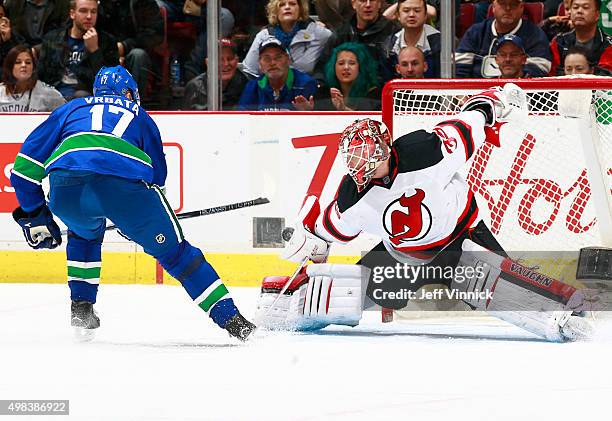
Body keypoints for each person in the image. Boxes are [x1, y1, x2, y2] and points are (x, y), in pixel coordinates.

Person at [260, 83, 593, 342]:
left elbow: (470, 120)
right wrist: (310, 243)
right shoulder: (351, 197)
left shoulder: (428, 149)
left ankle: (569, 306)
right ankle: (285, 307)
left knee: (504, 292)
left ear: (386, 148)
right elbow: (326, 232)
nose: (362, 166)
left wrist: (494, 102)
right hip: (401, 258)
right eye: (355, 159)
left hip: (462, 237)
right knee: (339, 297)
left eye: (368, 156)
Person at [9, 65, 256, 341]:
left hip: (66, 188)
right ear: (128, 93)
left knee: (84, 232)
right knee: (177, 254)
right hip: (123, 188)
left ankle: (82, 307)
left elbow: (21, 172)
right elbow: (156, 180)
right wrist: (135, 223)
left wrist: (36, 215)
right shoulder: (140, 115)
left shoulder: (70, 109)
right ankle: (233, 321)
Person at [37, 0, 118, 99]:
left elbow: (110, 84)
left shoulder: (107, 42)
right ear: (72, 14)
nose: (89, 16)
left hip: (88, 100)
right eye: (83, 11)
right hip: (54, 97)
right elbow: (41, 77)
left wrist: (94, 51)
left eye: (93, 12)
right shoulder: (52, 39)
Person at [455, 0, 551, 78]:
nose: (508, 8)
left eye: (513, 4)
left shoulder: (535, 34)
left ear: (521, 7)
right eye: (502, 3)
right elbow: (459, 69)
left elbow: (539, 71)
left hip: (520, 95)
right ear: (493, 6)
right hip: (478, 95)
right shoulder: (475, 32)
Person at [241, 0, 333, 77]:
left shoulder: (320, 34)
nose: (287, 7)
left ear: (300, 9)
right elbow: (249, 71)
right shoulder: (263, 36)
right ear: (275, 11)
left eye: (292, 4)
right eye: (282, 5)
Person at [315, 0, 398, 85]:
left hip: (381, 92)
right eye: (362, 1)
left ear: (379, 3)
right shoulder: (341, 34)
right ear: (353, 4)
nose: (368, 5)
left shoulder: (393, 33)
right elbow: (321, 69)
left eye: (372, 0)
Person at [97, 0, 163, 96]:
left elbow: (154, 34)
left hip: (135, 53)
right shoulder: (99, 4)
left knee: (138, 55)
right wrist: (114, 53)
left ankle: (134, 104)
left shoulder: (145, 3)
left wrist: (124, 46)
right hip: (106, 51)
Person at [237, 38, 318, 111]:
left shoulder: (305, 84)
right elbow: (241, 119)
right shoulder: (253, 86)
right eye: (267, 58)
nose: (272, 63)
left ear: (288, 60)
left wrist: (307, 114)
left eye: (278, 57)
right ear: (259, 64)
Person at [182, 38, 249, 110]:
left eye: (230, 58)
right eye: (219, 59)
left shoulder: (246, 85)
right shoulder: (194, 87)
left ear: (237, 61)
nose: (226, 64)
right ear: (208, 63)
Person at [549, 0, 612, 75]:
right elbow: (552, 76)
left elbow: (606, 77)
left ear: (597, 15)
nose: (579, 11)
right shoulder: (559, 42)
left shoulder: (608, 45)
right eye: (575, 7)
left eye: (585, 7)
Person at [316, 42, 381, 110]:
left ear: (362, 67)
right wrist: (308, 110)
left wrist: (344, 109)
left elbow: (368, 120)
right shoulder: (325, 93)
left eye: (352, 63)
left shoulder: (375, 96)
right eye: (341, 63)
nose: (346, 67)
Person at [382, 0, 440, 77]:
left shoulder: (440, 42)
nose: (411, 15)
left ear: (425, 15)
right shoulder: (389, 45)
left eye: (417, 11)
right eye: (406, 11)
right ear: (398, 16)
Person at [0, 44, 65, 112]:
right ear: (10, 67)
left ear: (33, 67)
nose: (23, 65)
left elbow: (65, 114)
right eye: (18, 62)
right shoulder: (1, 92)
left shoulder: (48, 93)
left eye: (28, 62)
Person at [3, 0, 70, 47]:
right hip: (18, 51)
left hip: (50, 50)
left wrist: (40, 49)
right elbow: (10, 31)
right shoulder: (12, 4)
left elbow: (64, 32)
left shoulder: (62, 4)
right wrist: (26, 50)